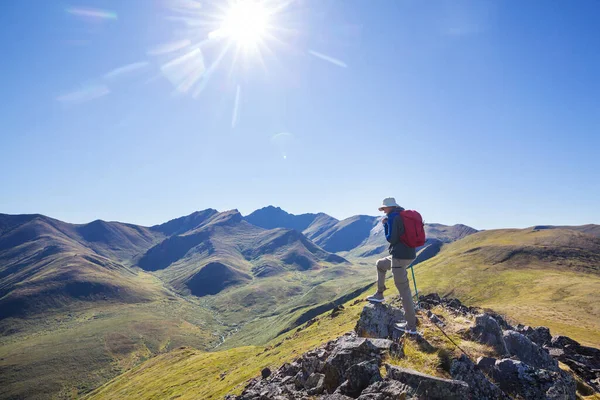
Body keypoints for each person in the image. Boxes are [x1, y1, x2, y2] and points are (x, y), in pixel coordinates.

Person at [366, 197, 418, 334]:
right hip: (408, 255)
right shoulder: (402, 215)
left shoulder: (393, 218)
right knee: (381, 264)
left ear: (390, 207)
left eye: (384, 208)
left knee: (404, 292)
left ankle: (411, 326)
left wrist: (385, 225)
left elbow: (391, 238)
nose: (384, 211)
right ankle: (379, 294)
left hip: (399, 257)